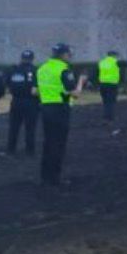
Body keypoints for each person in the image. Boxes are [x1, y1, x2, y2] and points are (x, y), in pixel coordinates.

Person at [37, 43, 85, 187]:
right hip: (60, 109)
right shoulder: (63, 70)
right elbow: (75, 94)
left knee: (48, 143)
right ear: (63, 54)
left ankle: (45, 176)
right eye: (69, 54)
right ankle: (55, 178)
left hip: (46, 108)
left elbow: (37, 90)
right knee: (58, 144)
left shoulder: (42, 68)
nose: (70, 57)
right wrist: (81, 82)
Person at [5, 49, 40, 156]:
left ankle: (11, 149)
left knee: (14, 127)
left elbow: (7, 85)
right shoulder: (35, 70)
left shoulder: (13, 70)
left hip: (16, 101)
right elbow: (35, 91)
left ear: (21, 58)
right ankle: (30, 151)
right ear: (32, 59)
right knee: (30, 128)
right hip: (30, 102)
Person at [97, 50, 121, 124]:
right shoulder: (115, 62)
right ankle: (109, 118)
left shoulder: (102, 62)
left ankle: (106, 116)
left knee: (105, 102)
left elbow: (97, 72)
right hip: (112, 85)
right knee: (111, 102)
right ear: (113, 55)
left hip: (102, 84)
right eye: (116, 55)